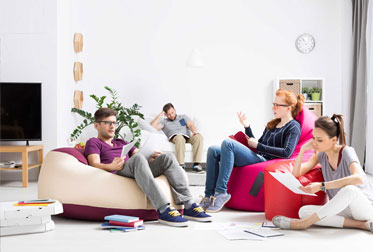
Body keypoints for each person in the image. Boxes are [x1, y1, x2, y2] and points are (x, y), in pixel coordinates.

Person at [84, 108, 211, 227]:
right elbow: (94, 164)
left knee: (167, 157)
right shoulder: (94, 142)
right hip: (119, 171)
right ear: (96, 125)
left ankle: (189, 205)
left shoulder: (121, 142)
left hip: (137, 170)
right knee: (137, 159)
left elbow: (139, 154)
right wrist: (111, 165)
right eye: (107, 123)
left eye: (114, 123)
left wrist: (151, 157)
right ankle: (163, 209)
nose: (112, 126)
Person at [201, 89, 304, 213]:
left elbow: (287, 152)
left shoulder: (293, 127)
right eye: (273, 104)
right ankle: (208, 195)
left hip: (265, 161)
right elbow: (257, 143)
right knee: (213, 150)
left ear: (289, 108)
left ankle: (221, 192)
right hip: (257, 156)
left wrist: (259, 145)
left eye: (277, 105)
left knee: (228, 143)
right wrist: (247, 127)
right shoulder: (272, 124)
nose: (273, 108)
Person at [272, 114, 373, 233]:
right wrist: (303, 150)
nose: (315, 143)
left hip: (363, 208)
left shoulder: (346, 152)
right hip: (343, 209)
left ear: (334, 140)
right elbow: (296, 173)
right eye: (313, 138)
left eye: (319, 140)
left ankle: (303, 224)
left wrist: (322, 185)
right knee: (303, 212)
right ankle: (362, 225)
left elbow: (359, 178)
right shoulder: (321, 155)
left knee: (349, 189)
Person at [151, 103, 204, 173]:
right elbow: (151, 127)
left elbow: (191, 125)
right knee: (179, 137)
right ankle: (181, 165)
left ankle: (196, 164)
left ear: (175, 110)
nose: (171, 115)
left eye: (172, 112)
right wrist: (160, 115)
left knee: (199, 137)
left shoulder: (183, 117)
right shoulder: (164, 122)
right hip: (175, 138)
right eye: (169, 114)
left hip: (187, 137)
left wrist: (194, 131)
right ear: (166, 114)